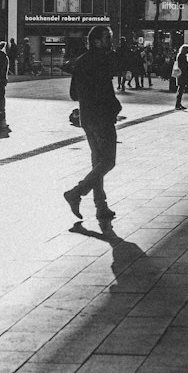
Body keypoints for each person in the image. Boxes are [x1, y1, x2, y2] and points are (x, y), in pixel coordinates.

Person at [64, 24, 122, 224]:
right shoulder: (102, 60)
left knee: (98, 162)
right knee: (108, 161)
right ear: (96, 40)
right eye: (107, 38)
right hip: (102, 118)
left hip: (87, 119)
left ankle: (101, 207)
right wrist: (115, 107)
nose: (110, 42)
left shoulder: (81, 61)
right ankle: (76, 192)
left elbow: (73, 94)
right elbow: (105, 92)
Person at [174, 41, 188, 109]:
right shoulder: (182, 56)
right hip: (182, 74)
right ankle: (177, 104)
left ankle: (179, 103)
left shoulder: (181, 55)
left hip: (181, 74)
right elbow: (186, 66)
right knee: (180, 89)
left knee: (181, 89)